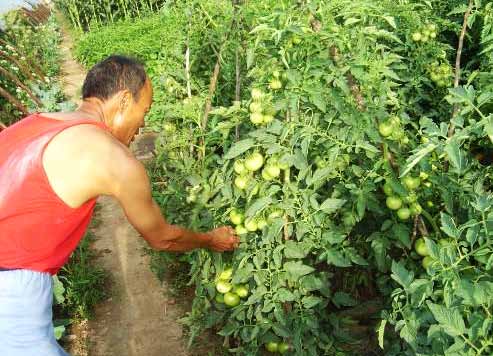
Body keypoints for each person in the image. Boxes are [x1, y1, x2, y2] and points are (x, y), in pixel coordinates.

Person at [0, 55, 239, 356]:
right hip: (10, 294)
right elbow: (161, 238)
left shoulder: (35, 123)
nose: (144, 124)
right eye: (145, 111)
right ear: (125, 100)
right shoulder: (113, 158)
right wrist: (210, 240)